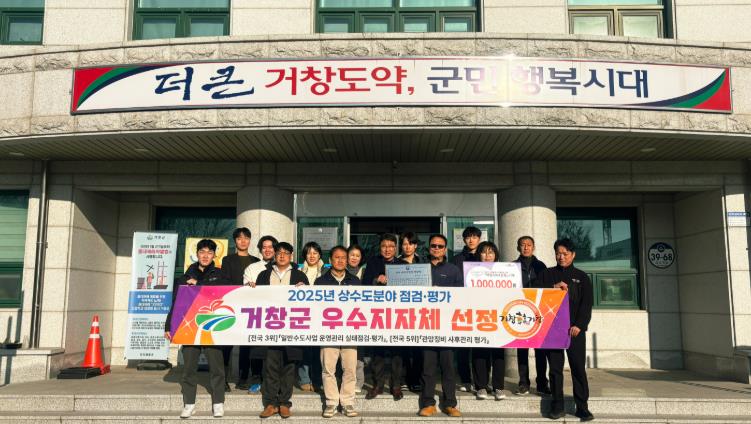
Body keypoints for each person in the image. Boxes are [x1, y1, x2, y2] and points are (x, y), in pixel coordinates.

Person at [164, 239, 229, 419]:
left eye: (209, 252)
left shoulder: (220, 275)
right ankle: (189, 404)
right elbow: (175, 302)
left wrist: (199, 284)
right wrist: (169, 325)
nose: (205, 255)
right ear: (197, 254)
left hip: (211, 326)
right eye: (202, 252)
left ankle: (218, 402)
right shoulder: (185, 277)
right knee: (189, 368)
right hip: (189, 327)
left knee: (216, 367)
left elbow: (225, 293)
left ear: (214, 255)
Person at [535, 238, 594, 421]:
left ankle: (582, 407)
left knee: (578, 368)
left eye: (565, 253)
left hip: (574, 331)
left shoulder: (582, 277)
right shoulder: (546, 274)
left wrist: (579, 325)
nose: (561, 257)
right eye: (558, 253)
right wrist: (552, 288)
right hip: (552, 330)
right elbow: (534, 294)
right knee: (555, 370)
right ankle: (557, 405)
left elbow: (586, 304)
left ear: (573, 255)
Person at [254, 242, 309, 419]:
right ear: (274, 255)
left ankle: (284, 403)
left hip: (291, 328)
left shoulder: (300, 275)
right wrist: (251, 289)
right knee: (270, 367)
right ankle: (270, 404)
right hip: (270, 327)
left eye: (286, 253)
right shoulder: (264, 275)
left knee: (288, 367)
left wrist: (305, 289)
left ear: (291, 256)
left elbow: (309, 301)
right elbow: (255, 299)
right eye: (279, 252)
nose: (282, 256)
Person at [419, 234, 463, 417]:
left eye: (440, 246)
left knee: (448, 367)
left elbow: (461, 296)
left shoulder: (453, 270)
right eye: (433, 246)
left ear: (445, 249)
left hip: (447, 325)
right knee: (428, 367)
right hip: (426, 324)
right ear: (429, 248)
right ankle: (428, 403)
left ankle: (450, 404)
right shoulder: (420, 269)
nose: (436, 248)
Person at [316, 245, 361, 418]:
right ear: (330, 260)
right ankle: (331, 402)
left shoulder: (355, 281)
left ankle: (348, 402)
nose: (340, 260)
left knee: (350, 368)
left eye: (343, 257)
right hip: (328, 331)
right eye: (337, 257)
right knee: (328, 369)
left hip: (350, 331)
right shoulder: (321, 282)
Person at [361, 233, 407, 401]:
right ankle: (378, 385)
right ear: (379, 248)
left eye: (391, 246)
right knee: (378, 352)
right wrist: (376, 280)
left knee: (397, 352)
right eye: (384, 246)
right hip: (378, 313)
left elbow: (410, 287)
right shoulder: (373, 262)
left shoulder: (403, 264)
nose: (387, 249)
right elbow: (364, 284)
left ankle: (396, 385)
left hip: (397, 313)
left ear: (396, 248)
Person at [221, 227, 261, 392]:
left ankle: (243, 378)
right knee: (227, 344)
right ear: (235, 241)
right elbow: (225, 281)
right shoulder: (228, 260)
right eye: (239, 238)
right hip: (232, 304)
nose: (243, 241)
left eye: (246, 238)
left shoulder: (256, 260)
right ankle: (223, 379)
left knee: (247, 344)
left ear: (250, 240)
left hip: (250, 307)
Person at [470, 241, 507, 401]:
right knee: (480, 352)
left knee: (498, 353)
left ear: (496, 255)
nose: (487, 255)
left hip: (499, 317)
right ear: (478, 254)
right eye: (484, 252)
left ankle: (498, 386)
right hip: (479, 316)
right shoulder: (471, 272)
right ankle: (481, 386)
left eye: (490, 252)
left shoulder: (505, 272)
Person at [512, 235, 549, 396]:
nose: (526, 247)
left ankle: (542, 383)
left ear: (533, 247)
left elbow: (547, 288)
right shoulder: (512, 267)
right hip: (519, 311)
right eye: (522, 245)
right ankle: (523, 383)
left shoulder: (541, 266)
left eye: (529, 245)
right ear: (518, 247)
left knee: (540, 350)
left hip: (537, 311)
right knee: (522, 349)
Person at [243, 235, 279, 394]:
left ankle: (274, 381)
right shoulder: (252, 268)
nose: (267, 250)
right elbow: (245, 290)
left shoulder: (285, 266)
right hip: (258, 315)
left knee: (276, 351)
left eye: (271, 247)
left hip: (278, 315)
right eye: (264, 247)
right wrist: (249, 286)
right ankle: (256, 380)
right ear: (260, 249)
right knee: (257, 349)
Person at [451, 226, 482, 392]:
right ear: (463, 240)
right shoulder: (457, 259)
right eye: (468, 237)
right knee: (463, 345)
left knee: (480, 345)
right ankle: (465, 380)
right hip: (462, 305)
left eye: (474, 237)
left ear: (479, 239)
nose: (471, 240)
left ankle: (480, 381)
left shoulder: (485, 257)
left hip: (481, 306)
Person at [297, 242, 326, 392]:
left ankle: (317, 379)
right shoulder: (298, 270)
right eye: (309, 253)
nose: (312, 256)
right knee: (303, 348)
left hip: (322, 315)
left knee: (318, 349)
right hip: (303, 314)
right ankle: (304, 379)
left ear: (320, 255)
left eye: (315, 253)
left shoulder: (327, 271)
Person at [398, 232, 423, 392]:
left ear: (416, 246)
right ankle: (403, 379)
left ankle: (415, 379)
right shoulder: (395, 263)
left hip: (420, 310)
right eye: (405, 244)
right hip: (401, 309)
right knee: (403, 348)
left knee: (418, 348)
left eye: (411, 244)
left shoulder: (423, 262)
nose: (407, 247)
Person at [346, 244, 366, 392]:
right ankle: (345, 380)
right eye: (352, 255)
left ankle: (358, 381)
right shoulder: (341, 271)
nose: (354, 258)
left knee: (358, 350)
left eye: (357, 256)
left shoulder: (365, 272)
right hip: (343, 316)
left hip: (360, 316)